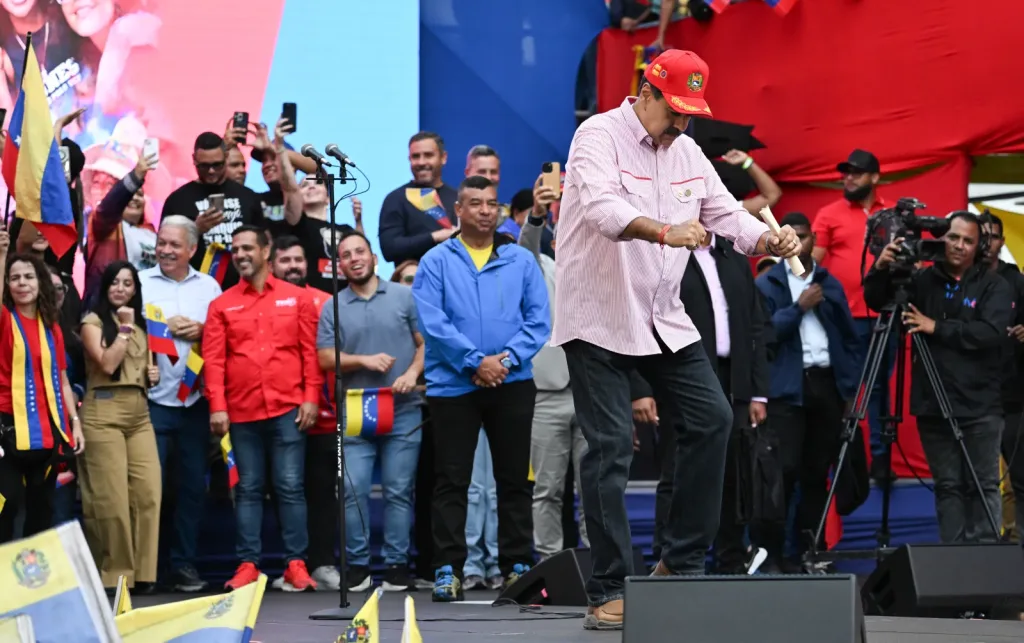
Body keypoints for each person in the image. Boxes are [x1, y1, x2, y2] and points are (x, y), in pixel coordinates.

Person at [550, 49, 800, 630]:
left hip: (663, 316)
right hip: (599, 317)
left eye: (692, 111)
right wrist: (666, 231)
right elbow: (602, 207)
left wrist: (770, 241)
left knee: (714, 417)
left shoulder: (687, 151)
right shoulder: (597, 134)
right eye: (677, 110)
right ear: (647, 92)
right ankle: (608, 587)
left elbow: (728, 214)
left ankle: (679, 566)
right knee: (611, 445)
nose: (685, 122)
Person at [412, 175, 550, 602]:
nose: (486, 210)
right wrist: (475, 362)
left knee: (514, 480)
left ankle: (516, 567)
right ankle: (448, 569)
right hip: (454, 387)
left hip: (512, 383)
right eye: (476, 203)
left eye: (492, 203)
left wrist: (502, 362)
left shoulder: (522, 261)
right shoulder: (436, 260)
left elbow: (539, 321)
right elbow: (432, 324)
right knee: (451, 481)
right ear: (459, 210)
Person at [865, 212, 1011, 543]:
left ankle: (986, 564)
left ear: (980, 246)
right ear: (942, 240)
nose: (959, 246)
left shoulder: (995, 285)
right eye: (953, 238)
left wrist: (937, 327)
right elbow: (878, 302)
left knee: (983, 484)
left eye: (968, 241)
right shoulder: (922, 280)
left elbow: (990, 333)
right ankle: (954, 564)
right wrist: (882, 267)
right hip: (933, 401)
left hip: (981, 405)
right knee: (947, 486)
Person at [203, 225, 321, 591]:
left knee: (289, 486)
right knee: (249, 488)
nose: (239, 255)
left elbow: (309, 352)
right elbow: (214, 360)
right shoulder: (221, 304)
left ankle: (296, 565)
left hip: (289, 408)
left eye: (247, 248)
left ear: (266, 251)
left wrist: (311, 397)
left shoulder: (296, 298)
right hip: (240, 411)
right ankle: (248, 565)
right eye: (235, 249)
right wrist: (217, 406)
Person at [317, 230, 425, 592]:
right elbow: (325, 358)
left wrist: (411, 373)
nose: (354, 258)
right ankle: (359, 567)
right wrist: (364, 360)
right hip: (356, 406)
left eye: (359, 251)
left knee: (398, 489)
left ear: (374, 257)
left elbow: (425, 344)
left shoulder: (405, 296)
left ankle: (395, 565)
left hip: (404, 406)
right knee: (352, 488)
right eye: (346, 255)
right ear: (340, 265)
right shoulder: (333, 306)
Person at [754, 213, 860, 572]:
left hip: (826, 384)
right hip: (787, 388)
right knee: (782, 473)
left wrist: (850, 387)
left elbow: (849, 336)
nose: (797, 243)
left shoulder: (829, 282)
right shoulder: (768, 284)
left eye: (803, 236)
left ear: (814, 239)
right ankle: (771, 554)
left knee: (817, 473)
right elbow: (764, 336)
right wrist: (798, 309)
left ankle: (809, 551)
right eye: (790, 236)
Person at [139, 216, 222, 592]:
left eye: (175, 245)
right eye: (162, 243)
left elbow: (223, 337)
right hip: (151, 403)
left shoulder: (210, 286)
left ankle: (183, 565)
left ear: (192, 248)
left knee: (191, 489)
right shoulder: (139, 283)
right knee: (149, 489)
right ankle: (147, 568)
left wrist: (203, 330)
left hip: (195, 402)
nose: (166, 250)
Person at [78, 260, 162, 591]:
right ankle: (116, 574)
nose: (121, 289)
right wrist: (124, 329)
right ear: (105, 286)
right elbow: (109, 362)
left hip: (139, 413)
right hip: (103, 412)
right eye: (115, 282)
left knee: (148, 493)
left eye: (128, 284)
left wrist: (152, 377)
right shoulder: (93, 321)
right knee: (110, 498)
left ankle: (144, 573)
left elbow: (142, 371)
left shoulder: (143, 325)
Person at [811, 150, 892, 476]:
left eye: (857, 173)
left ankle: (881, 459)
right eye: (846, 173)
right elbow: (811, 261)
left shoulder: (892, 215)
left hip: (886, 314)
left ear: (874, 177)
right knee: (847, 386)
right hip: (844, 317)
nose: (849, 178)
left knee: (881, 389)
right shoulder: (829, 213)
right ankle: (844, 458)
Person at [520, 175, 589, 559]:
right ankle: (548, 561)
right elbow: (526, 249)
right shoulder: (538, 266)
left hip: (591, 390)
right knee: (547, 488)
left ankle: (599, 563)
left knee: (593, 487)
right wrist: (537, 214)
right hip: (547, 393)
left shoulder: (600, 271)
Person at [0, 247, 85, 543]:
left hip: (47, 432)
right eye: (14, 278)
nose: (22, 283)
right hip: (7, 431)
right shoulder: (3, 320)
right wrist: (1, 257)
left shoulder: (52, 329)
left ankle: (31, 584)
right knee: (5, 505)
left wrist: (74, 421)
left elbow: (61, 379)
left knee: (42, 510)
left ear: (41, 283)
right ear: (7, 285)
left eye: (28, 277)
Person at [981, 213, 1024, 541]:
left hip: (1013, 393)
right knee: (974, 481)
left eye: (993, 236)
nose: (987, 243)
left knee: (1019, 477)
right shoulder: (961, 278)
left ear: (1002, 240)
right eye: (981, 236)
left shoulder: (1016, 280)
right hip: (973, 395)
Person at [379, 132, 460, 265]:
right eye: (415, 157)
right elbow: (389, 249)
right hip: (413, 282)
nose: (421, 162)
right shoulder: (396, 199)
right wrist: (435, 237)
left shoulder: (458, 197)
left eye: (428, 155)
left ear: (443, 158)